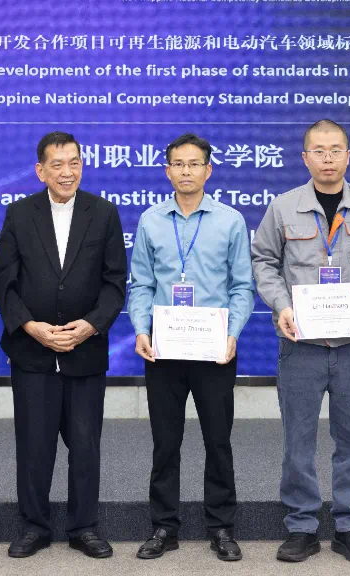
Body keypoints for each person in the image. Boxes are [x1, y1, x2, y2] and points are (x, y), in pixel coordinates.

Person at [251, 119, 350, 564]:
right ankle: (301, 526)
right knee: (298, 442)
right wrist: (281, 305)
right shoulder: (283, 207)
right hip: (300, 346)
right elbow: (263, 261)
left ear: (348, 156)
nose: (328, 158)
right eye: (318, 151)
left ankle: (349, 526)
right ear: (305, 158)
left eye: (335, 150)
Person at [0, 131, 127, 559]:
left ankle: (84, 527)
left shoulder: (103, 213)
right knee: (34, 446)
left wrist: (91, 325)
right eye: (57, 164)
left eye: (74, 163)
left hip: (85, 351)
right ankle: (34, 526)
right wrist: (30, 326)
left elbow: (115, 283)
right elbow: (4, 281)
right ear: (41, 170)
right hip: (32, 352)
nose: (67, 172)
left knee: (85, 446)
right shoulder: (19, 213)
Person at [128, 133, 254, 561]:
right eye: (178, 164)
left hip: (214, 350)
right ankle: (164, 526)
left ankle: (221, 527)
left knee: (218, 441)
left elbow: (241, 286)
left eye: (194, 163)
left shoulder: (230, 221)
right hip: (163, 349)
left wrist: (232, 334)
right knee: (165, 443)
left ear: (208, 170)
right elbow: (141, 283)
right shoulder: (150, 220)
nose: (186, 171)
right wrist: (141, 329)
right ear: (167, 171)